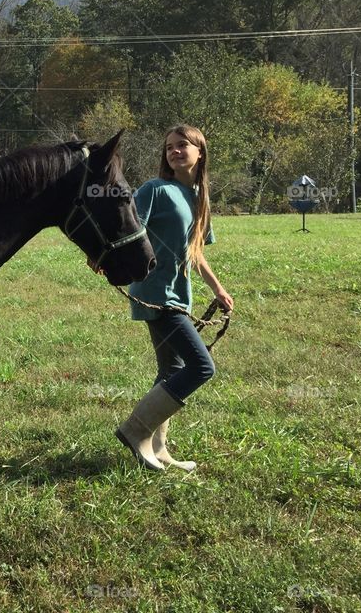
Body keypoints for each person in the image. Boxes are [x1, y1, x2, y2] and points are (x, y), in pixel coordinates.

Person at [115, 124, 234, 471]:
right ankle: (134, 430)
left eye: (183, 145)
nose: (174, 151)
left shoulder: (199, 199)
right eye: (169, 147)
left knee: (172, 369)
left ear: (200, 152)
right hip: (156, 294)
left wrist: (218, 288)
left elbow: (194, 252)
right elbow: (129, 228)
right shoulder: (155, 189)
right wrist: (112, 263)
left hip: (179, 294)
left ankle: (158, 446)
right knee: (200, 366)